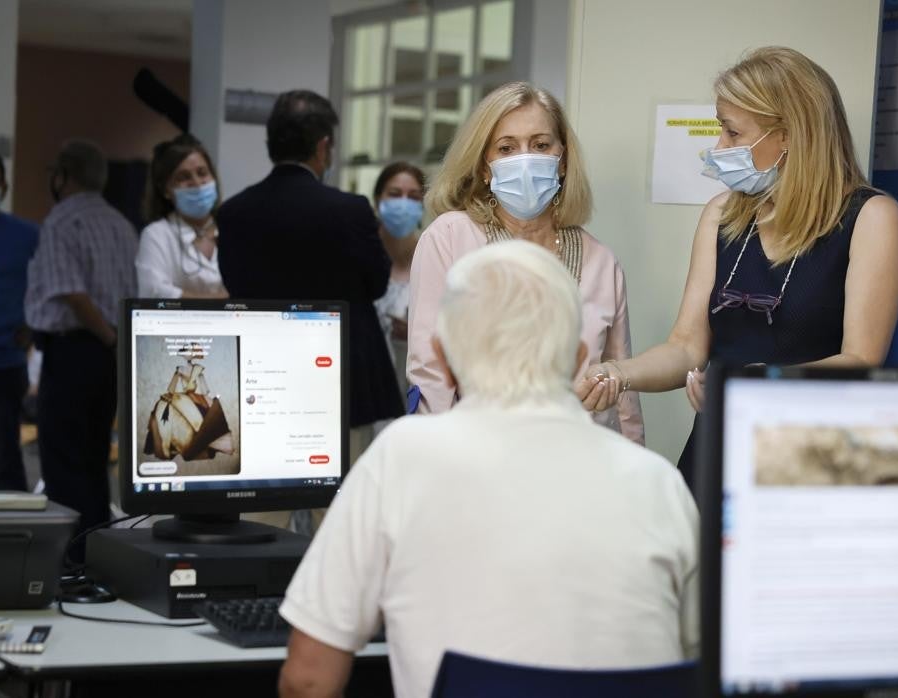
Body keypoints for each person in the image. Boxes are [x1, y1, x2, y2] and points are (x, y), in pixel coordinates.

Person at [278, 241, 698, 698]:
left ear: (441, 354)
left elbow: (308, 679)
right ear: (581, 358)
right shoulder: (659, 483)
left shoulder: (399, 459)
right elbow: (702, 661)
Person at [576, 47, 898, 488]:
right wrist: (617, 374)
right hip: (717, 447)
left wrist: (756, 383)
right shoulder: (722, 215)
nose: (719, 148)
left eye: (733, 133)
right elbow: (686, 347)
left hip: (813, 456)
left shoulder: (872, 218)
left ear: (789, 134)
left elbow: (862, 359)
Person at [407, 81, 643, 443]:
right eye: (506, 148)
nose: (525, 159)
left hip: (579, 463)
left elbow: (623, 388)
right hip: (479, 463)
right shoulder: (449, 239)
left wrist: (632, 469)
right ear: (484, 168)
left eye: (540, 145)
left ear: (562, 160)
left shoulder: (601, 261)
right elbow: (430, 375)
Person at [218, 90, 402, 463]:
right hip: (340, 381)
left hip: (265, 379)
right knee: (339, 507)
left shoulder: (235, 213)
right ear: (323, 148)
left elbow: (235, 286)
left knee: (264, 503)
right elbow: (377, 283)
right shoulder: (349, 211)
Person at [25, 139, 138, 539]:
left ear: (63, 177)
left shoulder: (61, 221)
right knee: (93, 460)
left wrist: (106, 338)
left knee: (63, 462)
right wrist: (113, 344)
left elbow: (72, 293)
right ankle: (98, 553)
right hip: (108, 357)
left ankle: (70, 561)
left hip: (75, 350)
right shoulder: (120, 223)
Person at [0, 148, 39, 491]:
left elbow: (50, 283)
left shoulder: (26, 235)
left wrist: (33, 327)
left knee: (6, 464)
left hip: (0, 367)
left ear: (4, 187)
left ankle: (15, 540)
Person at [136, 134, 228, 299]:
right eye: (184, 177)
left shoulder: (233, 229)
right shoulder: (157, 235)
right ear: (165, 190)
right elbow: (154, 292)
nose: (197, 183)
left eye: (202, 173)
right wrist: (221, 301)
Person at [370, 162, 426, 400]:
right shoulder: (361, 257)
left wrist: (417, 332)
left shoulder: (434, 256)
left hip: (417, 393)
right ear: (377, 200)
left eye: (413, 196)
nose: (404, 203)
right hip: (368, 392)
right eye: (394, 194)